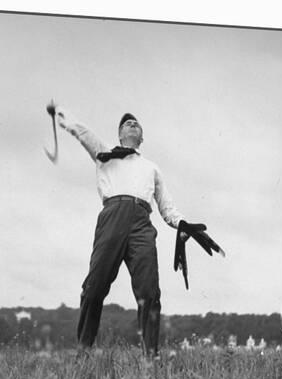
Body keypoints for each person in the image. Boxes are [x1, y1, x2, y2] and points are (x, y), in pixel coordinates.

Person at [53, 104, 191, 358]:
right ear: (119, 134)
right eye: (126, 122)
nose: (132, 123)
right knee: (94, 287)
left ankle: (151, 357)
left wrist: (181, 223)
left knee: (149, 291)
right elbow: (84, 133)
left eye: (136, 122)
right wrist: (65, 118)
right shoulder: (105, 153)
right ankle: (83, 352)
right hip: (112, 217)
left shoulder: (151, 167)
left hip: (141, 221)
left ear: (141, 137)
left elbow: (166, 206)